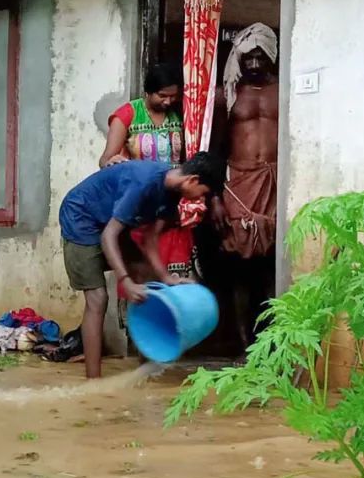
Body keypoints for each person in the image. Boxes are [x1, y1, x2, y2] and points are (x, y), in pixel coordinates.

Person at [60, 153, 226, 379]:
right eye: (204, 195)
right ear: (193, 181)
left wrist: (167, 278)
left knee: (146, 275)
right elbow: (109, 236)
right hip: (81, 218)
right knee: (97, 298)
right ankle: (93, 381)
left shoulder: (172, 193)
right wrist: (125, 281)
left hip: (108, 220)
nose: (201, 200)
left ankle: (148, 362)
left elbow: (150, 239)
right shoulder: (143, 182)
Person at [99, 63, 203, 283]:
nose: (168, 101)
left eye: (173, 96)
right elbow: (105, 159)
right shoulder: (127, 115)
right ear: (148, 92)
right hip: (139, 207)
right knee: (142, 279)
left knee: (178, 277)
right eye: (162, 96)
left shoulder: (181, 114)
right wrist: (113, 162)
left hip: (170, 208)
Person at [211, 22, 279, 350]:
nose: (253, 64)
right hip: (238, 183)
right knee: (239, 264)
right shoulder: (228, 95)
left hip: (275, 183)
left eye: (259, 57)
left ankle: (273, 341)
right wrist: (215, 196)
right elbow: (215, 148)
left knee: (271, 264)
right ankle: (242, 342)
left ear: (271, 55)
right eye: (247, 58)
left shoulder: (285, 89)